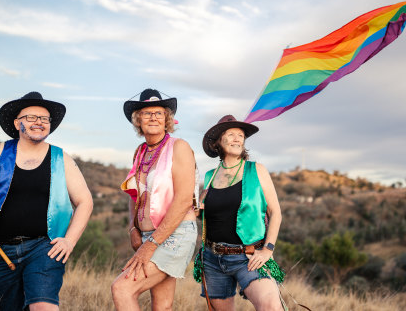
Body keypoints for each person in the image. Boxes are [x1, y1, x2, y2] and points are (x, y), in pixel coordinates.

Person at [0, 91, 93, 311]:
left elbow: (85, 201)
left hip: (43, 247)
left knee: (43, 306)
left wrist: (69, 241)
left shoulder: (61, 158)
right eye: (31, 117)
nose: (39, 123)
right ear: (17, 123)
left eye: (44, 119)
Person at [112, 89, 198, 311]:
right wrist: (133, 229)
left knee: (122, 288)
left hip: (175, 233)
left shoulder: (179, 147)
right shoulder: (140, 152)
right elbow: (135, 195)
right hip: (148, 235)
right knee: (162, 306)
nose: (153, 117)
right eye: (147, 113)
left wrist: (151, 244)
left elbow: (184, 200)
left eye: (159, 113)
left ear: (167, 119)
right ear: (138, 120)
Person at [197, 115, 284, 311]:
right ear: (218, 142)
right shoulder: (210, 176)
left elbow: (275, 212)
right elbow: (211, 216)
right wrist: (198, 208)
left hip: (248, 256)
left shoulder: (257, 170)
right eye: (231, 134)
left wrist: (268, 249)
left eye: (241, 135)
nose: (237, 138)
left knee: (271, 306)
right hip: (212, 258)